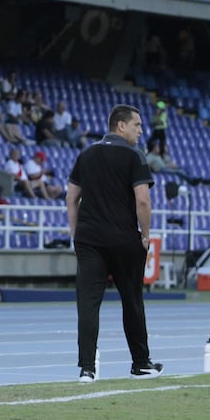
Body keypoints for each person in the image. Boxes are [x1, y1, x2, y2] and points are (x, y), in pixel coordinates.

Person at [66, 104, 163, 383]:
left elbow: (71, 198)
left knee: (88, 303)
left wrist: (76, 232)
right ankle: (140, 364)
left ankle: (87, 368)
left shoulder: (86, 154)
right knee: (132, 301)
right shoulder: (134, 156)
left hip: (89, 239)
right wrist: (145, 234)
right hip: (123, 239)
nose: (141, 131)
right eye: (137, 125)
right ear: (121, 126)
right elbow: (143, 200)